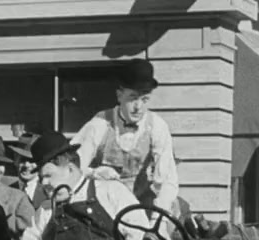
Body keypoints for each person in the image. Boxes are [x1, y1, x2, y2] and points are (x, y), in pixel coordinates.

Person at [18, 131, 151, 240]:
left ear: (70, 169)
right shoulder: (46, 209)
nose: (43, 183)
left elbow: (139, 235)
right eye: (41, 178)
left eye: (48, 176)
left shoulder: (110, 191)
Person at [74, 59, 180, 218]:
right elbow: (73, 166)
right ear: (119, 95)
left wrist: (158, 220)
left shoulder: (157, 126)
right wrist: (93, 172)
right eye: (132, 98)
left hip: (141, 204)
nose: (138, 107)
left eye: (144, 100)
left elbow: (166, 178)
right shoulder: (100, 124)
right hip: (105, 206)